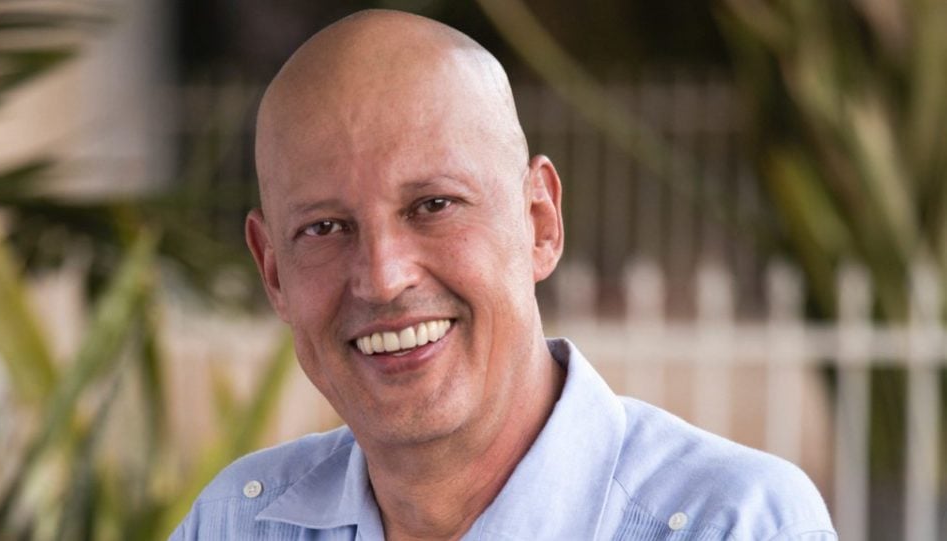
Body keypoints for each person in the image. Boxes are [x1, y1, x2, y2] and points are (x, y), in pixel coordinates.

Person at [172, 9, 836, 541]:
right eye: (323, 227)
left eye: (433, 205)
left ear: (539, 221)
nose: (382, 277)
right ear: (273, 272)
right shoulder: (235, 522)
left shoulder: (736, 524)